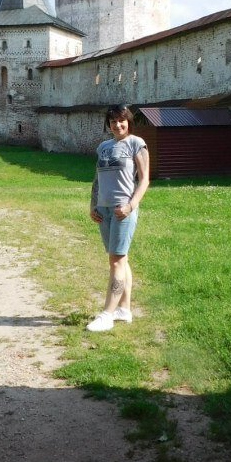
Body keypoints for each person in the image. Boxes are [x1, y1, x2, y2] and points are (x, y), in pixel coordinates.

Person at [87, 104, 150, 332]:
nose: (118, 124)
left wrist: (131, 206)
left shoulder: (137, 144)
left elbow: (144, 180)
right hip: (103, 211)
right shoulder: (103, 147)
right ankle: (124, 310)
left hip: (122, 210)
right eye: (113, 121)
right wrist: (93, 204)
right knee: (121, 260)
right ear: (109, 125)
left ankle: (107, 315)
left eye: (121, 120)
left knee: (116, 261)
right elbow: (97, 179)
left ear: (128, 121)